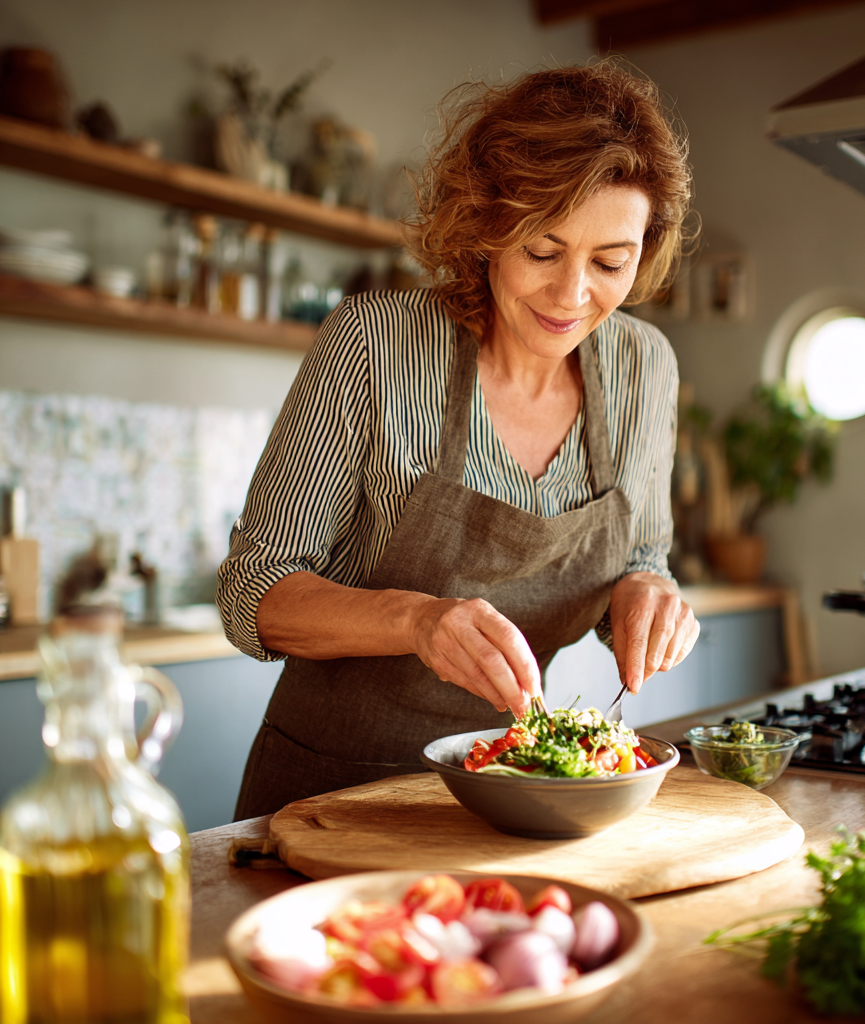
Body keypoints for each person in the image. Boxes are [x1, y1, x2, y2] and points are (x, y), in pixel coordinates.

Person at [218, 62, 701, 819]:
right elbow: (251, 591)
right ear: (486, 225)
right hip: (336, 794)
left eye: (611, 262)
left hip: (511, 791)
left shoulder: (646, 369)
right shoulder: (375, 344)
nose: (573, 296)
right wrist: (417, 620)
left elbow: (641, 555)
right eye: (543, 250)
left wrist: (647, 592)